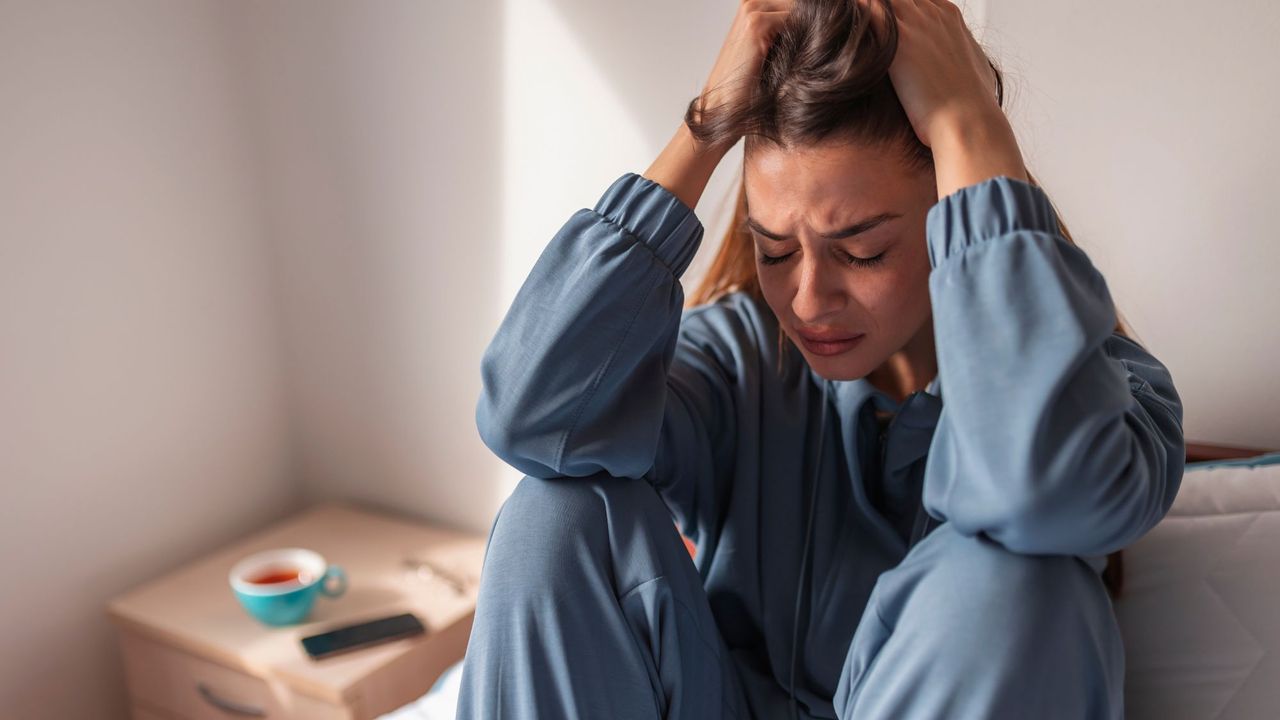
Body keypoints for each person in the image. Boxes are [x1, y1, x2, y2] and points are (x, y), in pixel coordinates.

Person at [455, 0, 1186, 718]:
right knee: (551, 515)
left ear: (952, 204)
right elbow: (531, 420)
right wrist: (706, 126)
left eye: (862, 251)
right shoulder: (741, 360)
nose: (806, 299)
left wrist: (969, 125)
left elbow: (1040, 490)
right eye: (773, 250)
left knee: (1015, 586)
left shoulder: (1110, 398)